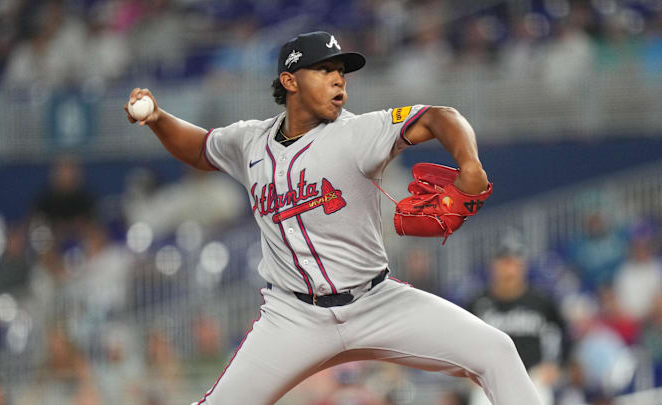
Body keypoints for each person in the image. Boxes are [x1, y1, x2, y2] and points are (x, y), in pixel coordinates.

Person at [125, 31, 541, 405]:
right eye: (323, 70)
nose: (338, 78)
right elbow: (200, 148)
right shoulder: (249, 141)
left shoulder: (358, 132)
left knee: (496, 351)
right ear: (290, 81)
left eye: (341, 70)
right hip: (293, 317)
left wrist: (470, 163)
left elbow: (438, 116)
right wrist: (159, 119)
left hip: (377, 302)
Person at [467, 242, 569, 405]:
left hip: (532, 379)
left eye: (514, 264)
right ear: (492, 267)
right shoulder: (477, 304)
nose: (509, 270)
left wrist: (557, 365)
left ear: (523, 267)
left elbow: (565, 333)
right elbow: (460, 341)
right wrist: (464, 372)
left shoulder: (540, 302)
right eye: (504, 263)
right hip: (489, 380)